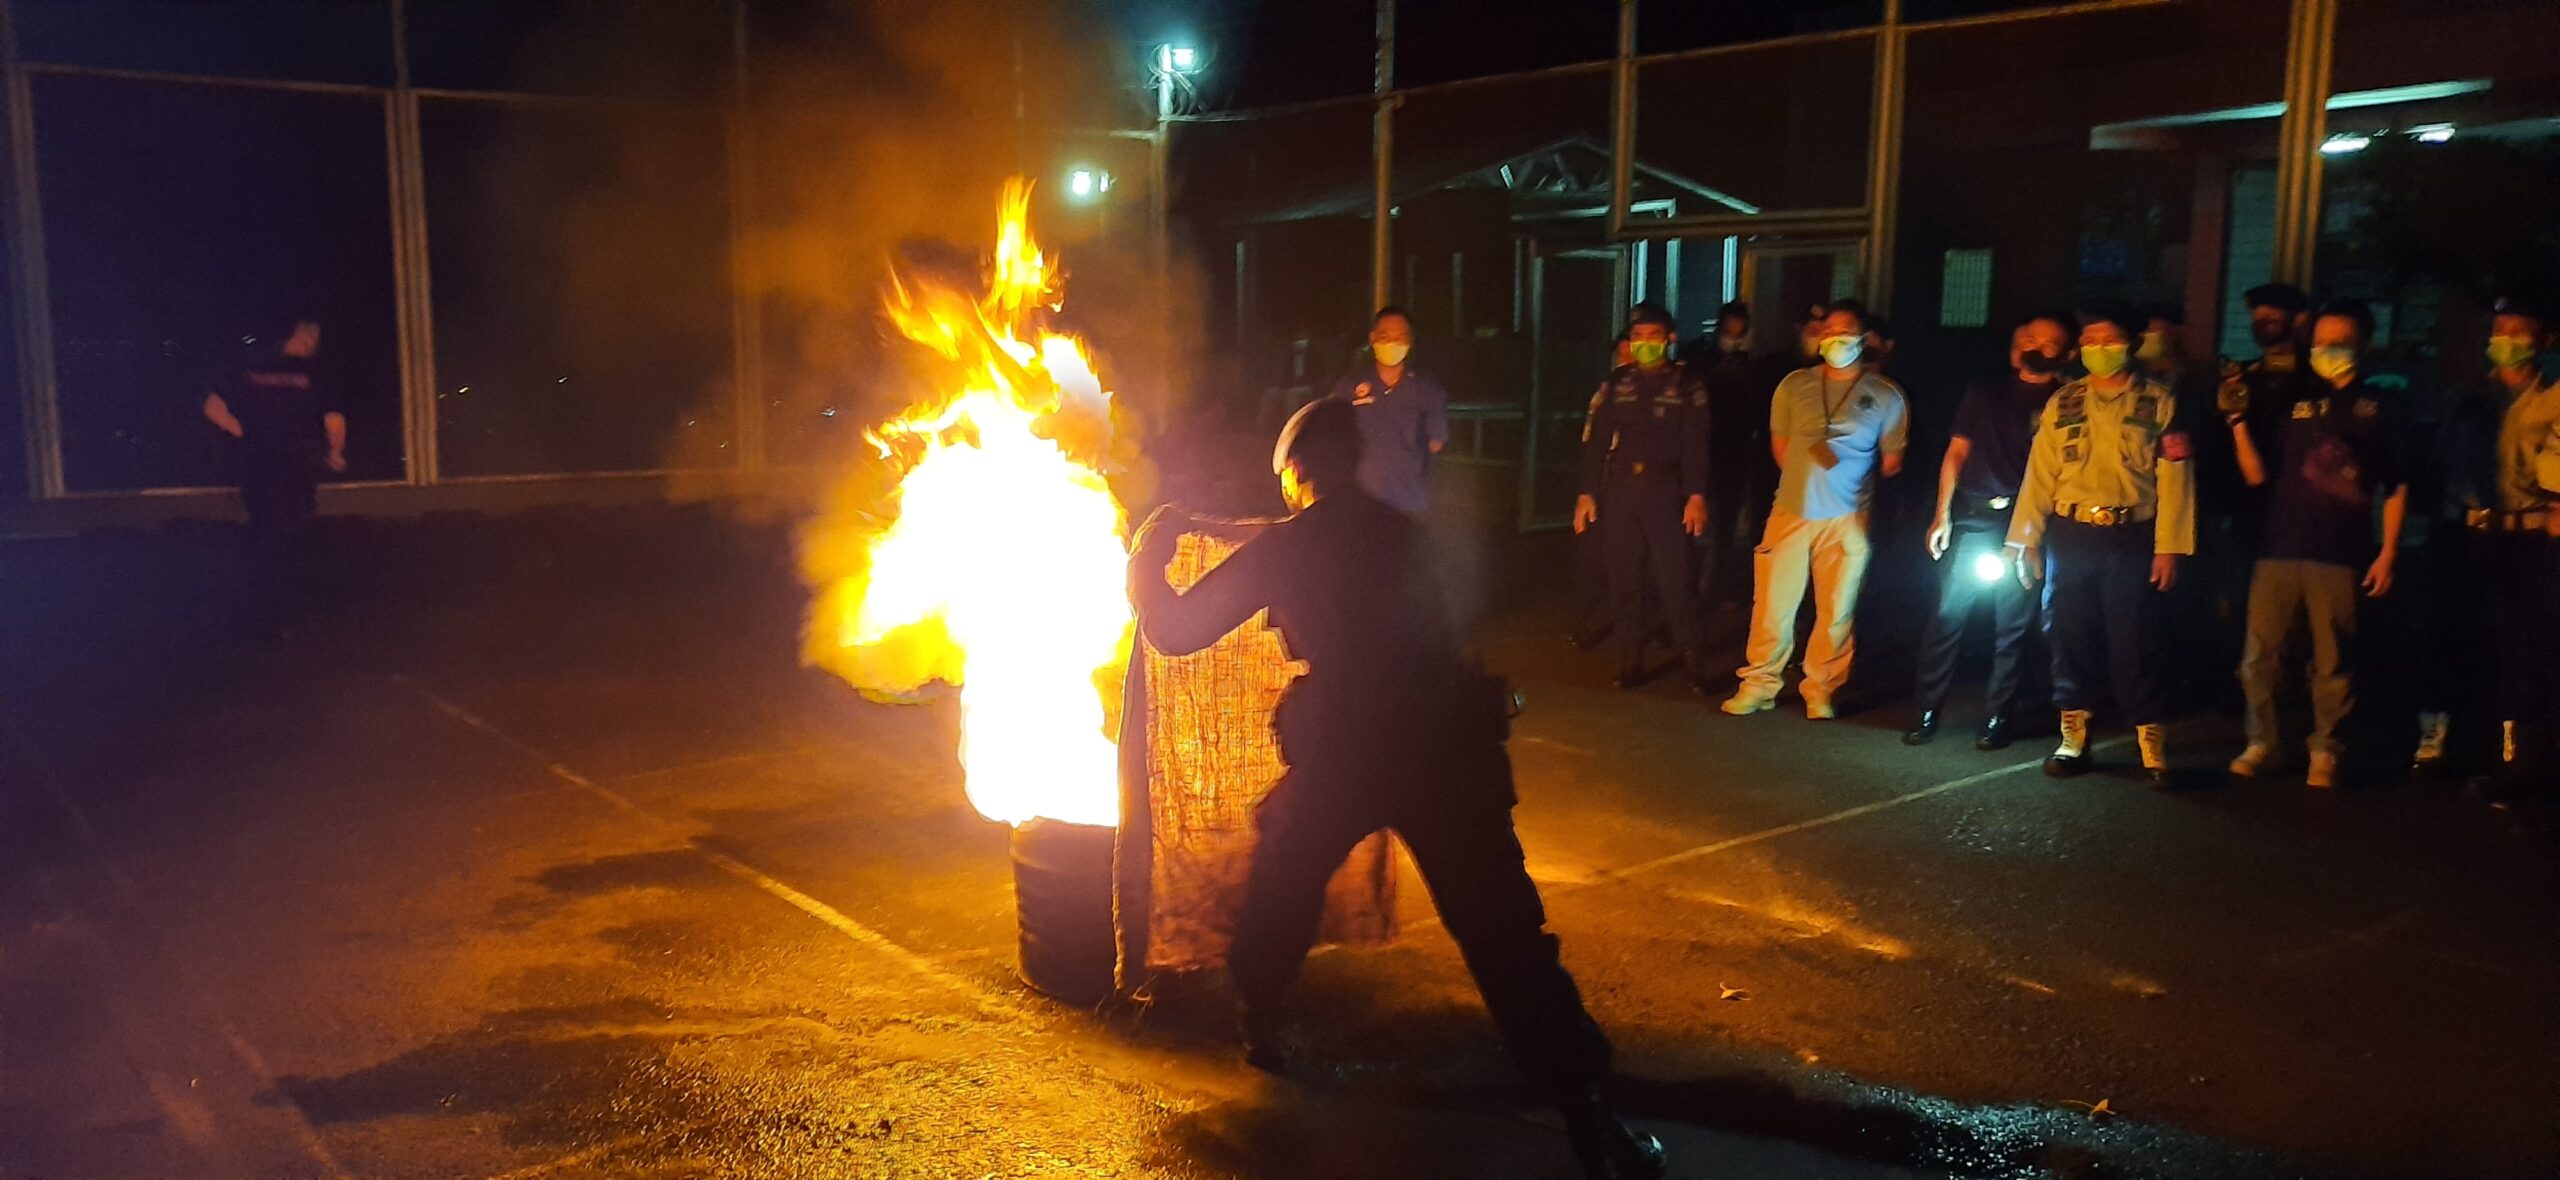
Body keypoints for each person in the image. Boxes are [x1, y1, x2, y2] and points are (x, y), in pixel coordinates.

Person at [1127, 399, 1667, 1180]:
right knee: (1505, 935)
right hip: (1448, 746)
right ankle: (1591, 1118)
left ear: (1296, 472)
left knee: (1283, 875)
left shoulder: (1291, 545)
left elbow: (1176, 632)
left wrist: (1147, 559)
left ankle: (1264, 1015)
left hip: (1351, 743)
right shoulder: (1406, 534)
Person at [2223, 300, 2407, 789]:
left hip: (2340, 551)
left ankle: (2326, 749)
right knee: (2259, 656)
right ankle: (2263, 742)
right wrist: (2237, 424)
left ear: (2363, 345)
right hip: (2278, 546)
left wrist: (2387, 551)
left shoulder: (2379, 407)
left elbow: (2396, 485)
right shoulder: (2293, 402)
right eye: (2321, 340)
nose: (2328, 349)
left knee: (2332, 659)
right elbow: (2258, 474)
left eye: (2340, 340)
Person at [2009, 305, 2195, 785]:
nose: (2098, 350)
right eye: (2090, 341)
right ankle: (2074, 738)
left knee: (2134, 640)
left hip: (2131, 535)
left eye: (2108, 341)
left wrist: (2169, 547)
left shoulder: (2158, 403)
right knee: (2069, 636)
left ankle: (2150, 745)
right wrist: (2025, 540)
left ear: (2130, 345)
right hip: (2071, 534)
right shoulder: (2064, 402)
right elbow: (2039, 475)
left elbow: (2175, 480)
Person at [1725, 299, 1907, 719]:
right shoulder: (1794, 384)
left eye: (1844, 331)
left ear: (1863, 339)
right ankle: (1759, 684)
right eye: (1827, 331)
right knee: (1773, 603)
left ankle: (1821, 688)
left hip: (1847, 518)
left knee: (1837, 610)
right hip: (1791, 510)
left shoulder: (1885, 395)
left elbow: (1892, 461)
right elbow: (1781, 448)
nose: (1834, 338)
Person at [1905, 311, 2072, 750]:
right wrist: (1943, 514)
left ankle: (1999, 715)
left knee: (2012, 626)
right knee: (1947, 616)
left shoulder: (2066, 401)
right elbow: (1957, 452)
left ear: (2067, 352)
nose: (2035, 345)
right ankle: (1927, 709)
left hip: (2026, 525)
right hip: (1975, 517)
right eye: (2029, 336)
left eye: (2048, 341)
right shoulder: (1986, 392)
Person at [2439, 293, 2560, 799]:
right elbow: (2449, 463)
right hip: (2473, 535)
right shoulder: (2472, 396)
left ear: (2543, 339)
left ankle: (2519, 765)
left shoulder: (2554, 397)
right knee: (2476, 646)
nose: (2504, 340)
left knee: (2522, 653)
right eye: (2499, 330)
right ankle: (2472, 751)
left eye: (2517, 330)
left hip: (2529, 539)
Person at [1573, 304, 1713, 692]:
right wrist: (1587, 493)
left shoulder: (1688, 385)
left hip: (1667, 491)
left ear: (1670, 339)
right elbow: (1595, 441)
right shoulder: (1617, 383)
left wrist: (1696, 495)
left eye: (1653, 337)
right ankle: (1630, 660)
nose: (1645, 344)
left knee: (1674, 579)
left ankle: (1692, 661)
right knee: (1624, 579)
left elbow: (1696, 444)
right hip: (1621, 491)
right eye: (1638, 337)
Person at [202, 319, 345, 546]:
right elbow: (214, 406)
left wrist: (335, 449)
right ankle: (282, 562)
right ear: (294, 333)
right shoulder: (257, 366)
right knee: (282, 515)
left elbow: (333, 418)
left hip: (288, 455)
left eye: (316, 336)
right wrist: (241, 432)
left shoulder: (311, 371)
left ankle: (277, 561)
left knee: (275, 514)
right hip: (277, 454)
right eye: (308, 334)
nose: (312, 341)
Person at [1691, 300, 1780, 613]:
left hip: (1738, 455)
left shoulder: (1756, 366)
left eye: (1740, 333)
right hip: (1703, 451)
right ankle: (1692, 589)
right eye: (1729, 332)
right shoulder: (1700, 360)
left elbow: (1760, 409)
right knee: (1693, 524)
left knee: (1726, 528)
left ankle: (1715, 588)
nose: (1734, 339)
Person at [1327, 305, 1449, 514]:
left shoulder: (1427, 390)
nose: (1391, 342)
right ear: (1372, 338)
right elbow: (1331, 436)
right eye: (1384, 335)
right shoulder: (1348, 387)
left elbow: (1436, 441)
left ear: (1409, 341)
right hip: (1357, 505)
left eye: (1399, 336)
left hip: (1409, 505)